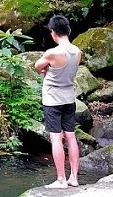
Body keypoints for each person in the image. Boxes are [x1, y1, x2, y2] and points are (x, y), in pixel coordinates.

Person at [35, 14, 82, 189]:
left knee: (56, 138)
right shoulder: (77, 52)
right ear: (68, 30)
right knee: (70, 137)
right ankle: (74, 178)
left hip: (52, 99)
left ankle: (61, 180)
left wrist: (47, 67)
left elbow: (37, 66)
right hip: (69, 98)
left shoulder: (52, 53)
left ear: (53, 33)